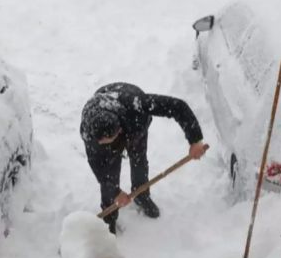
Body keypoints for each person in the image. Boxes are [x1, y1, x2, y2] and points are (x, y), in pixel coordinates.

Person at [80, 82, 208, 234]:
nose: (104, 143)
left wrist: (195, 140)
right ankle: (109, 217)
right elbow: (98, 166)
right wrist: (115, 192)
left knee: (139, 159)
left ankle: (141, 195)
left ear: (119, 130)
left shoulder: (138, 105)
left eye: (109, 139)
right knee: (109, 173)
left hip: (133, 122)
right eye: (102, 141)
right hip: (112, 116)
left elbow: (178, 106)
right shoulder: (90, 133)